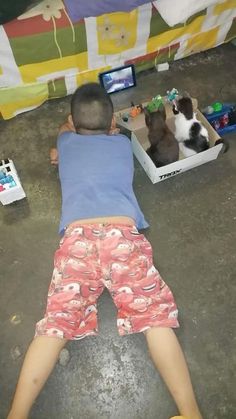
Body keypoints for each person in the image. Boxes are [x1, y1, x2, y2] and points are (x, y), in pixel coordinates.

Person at [7, 83, 202, 419]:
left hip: (78, 240)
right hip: (123, 237)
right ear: (114, 124)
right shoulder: (121, 144)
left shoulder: (65, 143)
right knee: (155, 317)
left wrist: (65, 136)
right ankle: (190, 412)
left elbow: (63, 136)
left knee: (56, 324)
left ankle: (17, 413)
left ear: (71, 120)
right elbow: (91, 131)